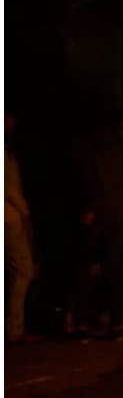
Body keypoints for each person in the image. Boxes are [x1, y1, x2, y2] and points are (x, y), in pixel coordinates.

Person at [68, 113, 123, 338]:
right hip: (114, 216)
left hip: (94, 216)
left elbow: (84, 181)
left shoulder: (86, 150)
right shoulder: (118, 151)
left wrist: (87, 208)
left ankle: (83, 320)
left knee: (85, 268)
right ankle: (116, 320)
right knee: (113, 270)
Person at [6, 114, 38, 343]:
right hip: (9, 218)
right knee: (24, 269)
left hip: (10, 216)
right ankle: (14, 329)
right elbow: (8, 188)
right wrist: (24, 210)